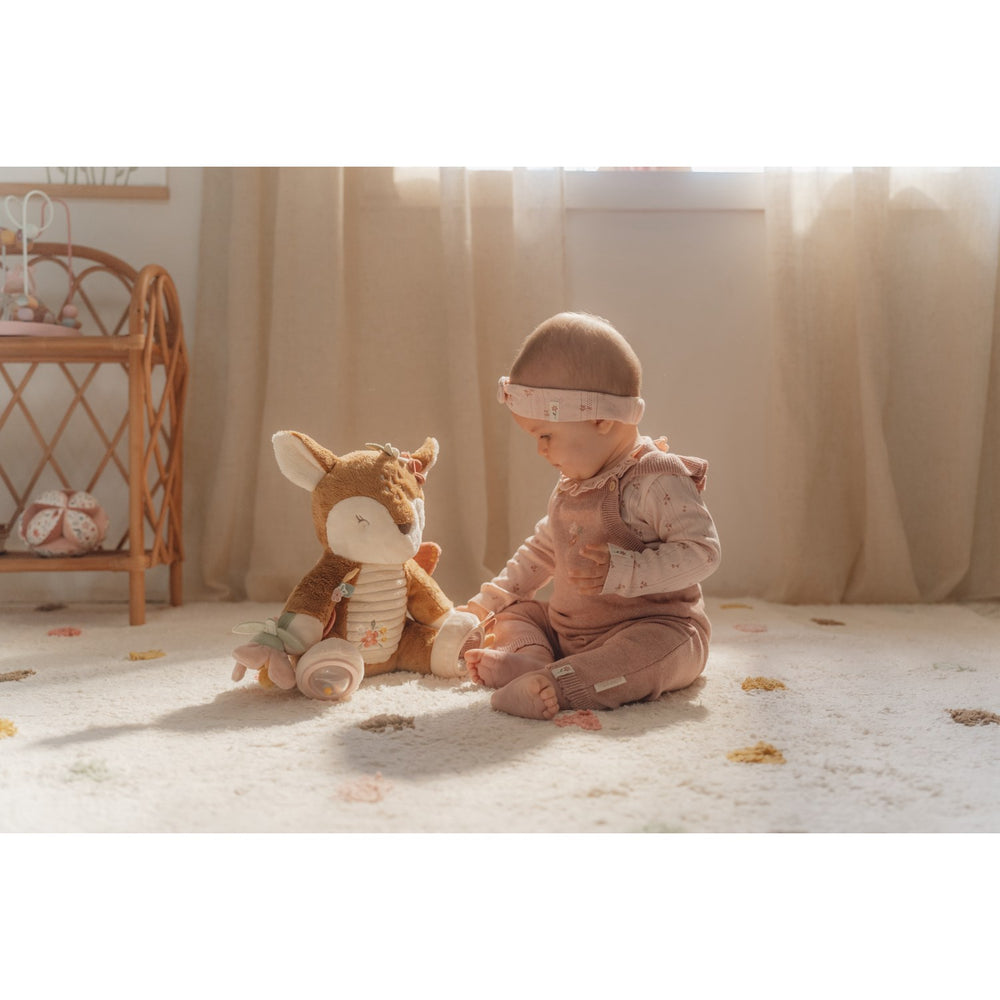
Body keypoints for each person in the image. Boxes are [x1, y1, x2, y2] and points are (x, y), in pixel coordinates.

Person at [463, 312, 721, 720]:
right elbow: (542, 551)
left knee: (659, 654)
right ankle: (533, 661)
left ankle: (557, 684)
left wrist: (626, 570)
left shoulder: (657, 478)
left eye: (546, 435)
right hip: (570, 631)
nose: (540, 450)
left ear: (601, 418)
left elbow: (702, 553)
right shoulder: (574, 484)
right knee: (517, 613)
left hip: (654, 626)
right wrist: (487, 603)